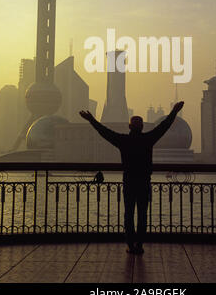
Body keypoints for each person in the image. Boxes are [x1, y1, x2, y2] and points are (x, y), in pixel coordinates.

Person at [79, 100, 184, 254]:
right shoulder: (148, 139)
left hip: (129, 182)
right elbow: (164, 126)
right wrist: (174, 111)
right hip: (143, 183)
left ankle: (130, 244)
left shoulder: (123, 140)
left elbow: (105, 132)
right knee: (142, 215)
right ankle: (139, 245)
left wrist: (92, 120)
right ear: (142, 127)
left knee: (129, 215)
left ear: (130, 127)